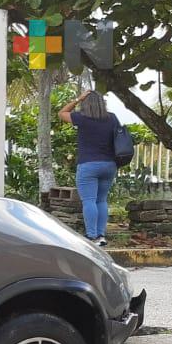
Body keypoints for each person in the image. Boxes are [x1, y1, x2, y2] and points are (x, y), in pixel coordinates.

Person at [60, 89, 119, 246]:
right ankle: (101, 235)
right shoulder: (112, 118)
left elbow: (62, 113)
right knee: (102, 200)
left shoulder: (81, 118)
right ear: (102, 103)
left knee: (89, 201)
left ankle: (91, 236)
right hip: (109, 165)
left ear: (86, 104)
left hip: (88, 164)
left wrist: (78, 98)